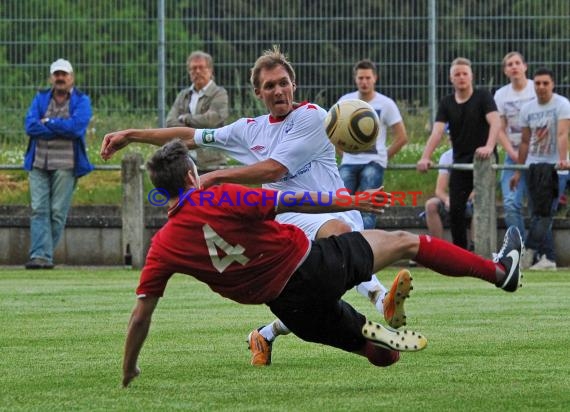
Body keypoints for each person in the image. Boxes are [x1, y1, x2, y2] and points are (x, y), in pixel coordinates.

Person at [120, 139, 522, 387]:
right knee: (406, 242)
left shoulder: (162, 246)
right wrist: (349, 200)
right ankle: (499, 273)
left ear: (163, 190)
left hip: (289, 308)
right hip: (314, 265)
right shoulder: (220, 195)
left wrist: (130, 367)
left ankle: (374, 324)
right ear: (193, 176)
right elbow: (292, 200)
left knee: (380, 355)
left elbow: (141, 315)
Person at [102, 46, 396, 366]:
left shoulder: (312, 116)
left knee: (314, 297)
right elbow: (191, 135)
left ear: (293, 85)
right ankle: (382, 299)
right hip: (289, 218)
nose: (278, 90)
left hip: (334, 205)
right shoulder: (248, 129)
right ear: (258, 92)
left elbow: (273, 169)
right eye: (269, 86)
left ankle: (265, 334)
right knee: (336, 245)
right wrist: (131, 135)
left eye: (283, 82)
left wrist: (215, 175)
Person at [417, 57, 501, 250]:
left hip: (483, 161)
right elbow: (437, 132)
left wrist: (489, 147)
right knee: (455, 209)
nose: (461, 77)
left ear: (471, 76)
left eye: (465, 74)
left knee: (482, 207)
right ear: (451, 78)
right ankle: (460, 254)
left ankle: (483, 254)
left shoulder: (483, 97)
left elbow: (496, 123)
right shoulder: (447, 103)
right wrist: (425, 156)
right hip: (460, 161)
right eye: (457, 74)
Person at [23, 58, 93, 269]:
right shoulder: (40, 98)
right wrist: (60, 127)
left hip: (66, 164)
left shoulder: (82, 100)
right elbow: (30, 126)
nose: (60, 78)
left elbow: (76, 128)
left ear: (71, 78)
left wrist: (49, 123)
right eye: (57, 74)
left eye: (64, 74)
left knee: (57, 211)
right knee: (38, 209)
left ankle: (43, 255)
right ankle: (40, 256)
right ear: (51, 77)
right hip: (38, 163)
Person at [336, 59, 408, 229]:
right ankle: (343, 242)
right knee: (340, 203)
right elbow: (333, 132)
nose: (364, 82)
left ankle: (366, 246)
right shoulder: (345, 101)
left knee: (368, 206)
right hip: (349, 163)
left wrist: (383, 157)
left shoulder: (386, 104)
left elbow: (402, 137)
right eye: (361, 78)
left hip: (373, 163)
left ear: (375, 78)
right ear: (355, 79)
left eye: (368, 78)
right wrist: (343, 153)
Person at [510, 67, 570, 270]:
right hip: (533, 167)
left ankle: (526, 254)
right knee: (536, 213)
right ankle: (549, 258)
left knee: (546, 213)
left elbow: (563, 134)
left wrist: (562, 160)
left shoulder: (562, 104)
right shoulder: (527, 109)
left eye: (545, 83)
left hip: (555, 168)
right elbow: (525, 142)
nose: (541, 87)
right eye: (537, 83)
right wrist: (518, 171)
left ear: (553, 84)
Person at [494, 51, 535, 241]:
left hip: (537, 154)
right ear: (505, 70)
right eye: (510, 64)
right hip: (513, 155)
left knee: (538, 206)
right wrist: (512, 152)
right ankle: (521, 249)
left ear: (525, 67)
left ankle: (540, 251)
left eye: (518, 63)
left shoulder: (537, 89)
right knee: (510, 203)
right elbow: (500, 128)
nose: (514, 67)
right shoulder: (501, 95)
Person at [166, 51, 229, 169]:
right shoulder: (183, 95)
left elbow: (212, 120)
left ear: (210, 70)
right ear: (189, 72)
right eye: (193, 68)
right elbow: (170, 122)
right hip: (185, 162)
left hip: (211, 162)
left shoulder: (219, 93)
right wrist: (197, 126)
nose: (197, 72)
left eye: (201, 68)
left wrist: (186, 118)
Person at [422, 148, 473, 246]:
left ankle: (476, 249)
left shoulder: (476, 154)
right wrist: (447, 199)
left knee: (480, 205)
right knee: (431, 205)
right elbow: (439, 190)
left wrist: (460, 200)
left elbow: (479, 190)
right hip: (453, 198)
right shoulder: (446, 156)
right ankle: (437, 249)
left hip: (470, 199)